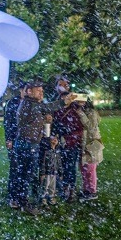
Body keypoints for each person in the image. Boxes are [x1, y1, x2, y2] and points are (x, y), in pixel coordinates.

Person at [14, 79, 76, 215]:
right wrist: (64, 101)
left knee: (24, 174)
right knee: (26, 175)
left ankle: (19, 200)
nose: (41, 93)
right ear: (29, 91)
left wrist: (44, 122)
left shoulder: (30, 104)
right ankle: (23, 202)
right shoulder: (31, 104)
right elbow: (48, 107)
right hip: (28, 145)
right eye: (38, 90)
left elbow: (37, 118)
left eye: (42, 91)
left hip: (27, 144)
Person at [52, 76, 83, 203]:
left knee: (70, 166)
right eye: (60, 84)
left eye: (65, 85)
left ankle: (70, 189)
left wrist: (69, 137)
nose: (63, 87)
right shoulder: (54, 105)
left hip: (71, 142)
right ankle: (62, 188)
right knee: (59, 167)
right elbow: (52, 123)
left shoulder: (76, 106)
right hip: (58, 142)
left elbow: (80, 126)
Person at [3, 80, 26, 209]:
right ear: (22, 90)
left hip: (27, 141)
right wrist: (9, 139)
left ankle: (22, 195)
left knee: (25, 169)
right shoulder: (13, 103)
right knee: (15, 168)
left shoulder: (30, 103)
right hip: (16, 140)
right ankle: (13, 196)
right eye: (25, 90)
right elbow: (8, 122)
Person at [77, 99, 103, 200]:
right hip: (83, 143)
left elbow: (91, 128)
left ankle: (92, 191)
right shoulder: (80, 110)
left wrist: (81, 115)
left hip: (92, 143)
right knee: (84, 168)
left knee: (90, 168)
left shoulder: (91, 112)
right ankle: (86, 190)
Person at [39, 136, 62, 206]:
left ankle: (51, 197)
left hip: (54, 172)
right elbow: (42, 163)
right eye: (53, 139)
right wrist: (42, 173)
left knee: (52, 186)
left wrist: (60, 173)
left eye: (56, 139)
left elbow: (59, 163)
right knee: (45, 186)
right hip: (47, 172)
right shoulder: (46, 152)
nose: (55, 140)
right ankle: (43, 199)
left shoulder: (57, 152)